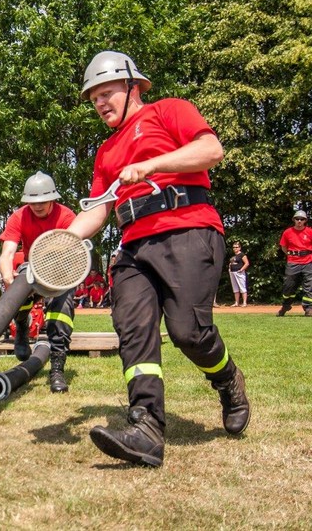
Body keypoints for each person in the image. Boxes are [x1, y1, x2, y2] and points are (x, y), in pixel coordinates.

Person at [67, 50, 250, 467]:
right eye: (94, 98)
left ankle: (227, 380)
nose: (99, 103)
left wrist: (150, 165)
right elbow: (97, 210)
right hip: (134, 246)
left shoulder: (169, 111)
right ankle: (146, 426)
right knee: (132, 326)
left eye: (106, 93)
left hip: (189, 227)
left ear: (133, 86)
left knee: (189, 333)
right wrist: (59, 243)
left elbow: (211, 150)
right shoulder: (105, 152)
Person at [0, 171, 76, 393]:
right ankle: (22, 326)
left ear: (53, 198)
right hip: (32, 268)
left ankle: (57, 369)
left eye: (42, 201)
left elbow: (74, 248)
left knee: (61, 312)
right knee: (18, 296)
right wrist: (7, 275)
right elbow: (7, 252)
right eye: (33, 202)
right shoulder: (19, 217)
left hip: (61, 270)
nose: (38, 206)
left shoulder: (67, 217)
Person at [277, 210, 312, 317]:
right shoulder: (287, 232)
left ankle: (308, 308)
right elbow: (283, 247)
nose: (299, 221)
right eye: (297, 219)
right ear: (294, 220)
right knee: (288, 285)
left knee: (309, 286)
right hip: (293, 262)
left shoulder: (310, 232)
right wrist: (291, 254)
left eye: (302, 219)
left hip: (308, 261)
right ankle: (286, 305)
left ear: (305, 220)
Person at [228, 241, 249, 307]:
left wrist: (241, 269)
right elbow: (231, 263)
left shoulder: (242, 255)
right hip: (232, 272)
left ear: (240, 248)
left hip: (239, 272)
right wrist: (229, 269)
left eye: (236, 247)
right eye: (234, 247)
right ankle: (236, 302)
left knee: (242, 287)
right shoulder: (234, 256)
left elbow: (247, 263)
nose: (235, 248)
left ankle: (244, 303)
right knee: (235, 288)